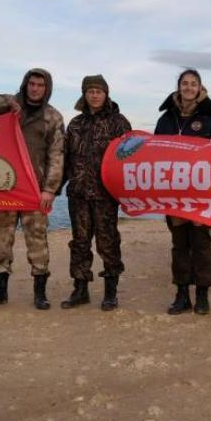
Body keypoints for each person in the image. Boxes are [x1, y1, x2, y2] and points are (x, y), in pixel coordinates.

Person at [0, 68, 64, 310]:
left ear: (47, 89)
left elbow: (57, 155)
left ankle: (40, 294)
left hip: (34, 190)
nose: (35, 89)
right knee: (2, 241)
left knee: (38, 241)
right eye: (31, 84)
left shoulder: (53, 117)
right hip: (4, 186)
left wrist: (50, 190)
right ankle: (0, 291)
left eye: (40, 85)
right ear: (25, 85)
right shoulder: (7, 104)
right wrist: (6, 103)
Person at [154, 68, 211, 315]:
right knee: (179, 245)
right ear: (179, 87)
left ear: (200, 87)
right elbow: (154, 151)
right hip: (174, 192)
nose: (188, 87)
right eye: (184, 83)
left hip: (201, 193)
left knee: (202, 244)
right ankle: (182, 294)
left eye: (193, 83)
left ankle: (202, 295)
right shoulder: (167, 118)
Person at [60, 75, 132, 311]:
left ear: (106, 94)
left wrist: (128, 193)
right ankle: (80, 290)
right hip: (78, 194)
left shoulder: (119, 123)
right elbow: (64, 159)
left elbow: (131, 158)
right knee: (80, 243)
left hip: (106, 196)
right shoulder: (75, 124)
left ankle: (111, 292)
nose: (94, 95)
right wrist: (53, 188)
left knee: (108, 242)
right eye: (90, 91)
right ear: (84, 94)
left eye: (98, 91)